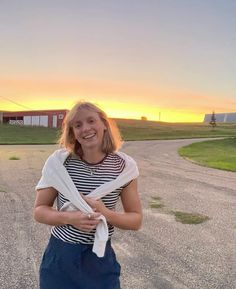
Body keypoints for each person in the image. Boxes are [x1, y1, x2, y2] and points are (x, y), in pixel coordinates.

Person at [34, 101, 142, 289]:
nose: (86, 128)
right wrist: (70, 218)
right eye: (78, 125)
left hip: (99, 259)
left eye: (91, 121)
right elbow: (39, 211)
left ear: (105, 125)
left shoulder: (124, 168)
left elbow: (135, 220)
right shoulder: (60, 164)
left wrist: (105, 213)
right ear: (72, 133)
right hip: (60, 257)